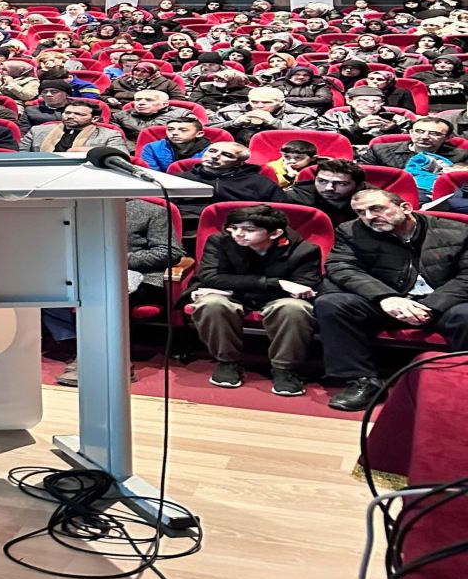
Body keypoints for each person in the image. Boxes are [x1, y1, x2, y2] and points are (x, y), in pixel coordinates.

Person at [316, 188, 468, 410]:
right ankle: (360, 380)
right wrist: (386, 297)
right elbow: (342, 266)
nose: (369, 217)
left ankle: (461, 381)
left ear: (405, 208)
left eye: (376, 208)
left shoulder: (457, 231)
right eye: (360, 212)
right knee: (332, 304)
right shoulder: (350, 231)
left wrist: (431, 306)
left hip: (442, 303)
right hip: (386, 300)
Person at [188, 204, 321, 396]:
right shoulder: (220, 241)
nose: (238, 234)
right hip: (242, 295)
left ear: (275, 233)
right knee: (211, 303)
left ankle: (285, 369)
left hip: (276, 299)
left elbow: (304, 287)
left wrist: (233, 287)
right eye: (234, 227)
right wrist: (277, 283)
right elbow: (210, 277)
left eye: (249, 230)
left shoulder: (305, 250)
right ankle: (227, 362)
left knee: (294, 308)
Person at [52, 197, 184, 386]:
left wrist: (117, 257)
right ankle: (85, 350)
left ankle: (111, 362)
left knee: (106, 294)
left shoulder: (154, 211)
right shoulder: (84, 209)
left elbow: (169, 252)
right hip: (90, 272)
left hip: (141, 277)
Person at [171, 141, 282, 250]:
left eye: (227, 155)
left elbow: (278, 211)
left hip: (238, 231)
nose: (215, 156)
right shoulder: (178, 179)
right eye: (212, 151)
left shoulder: (259, 182)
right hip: (184, 228)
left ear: (239, 163)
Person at [361, 117, 468, 199]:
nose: (425, 137)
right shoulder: (380, 150)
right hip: (385, 196)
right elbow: (361, 178)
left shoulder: (461, 156)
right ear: (411, 133)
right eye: (419, 131)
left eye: (434, 134)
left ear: (448, 138)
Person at [283, 156, 366, 225]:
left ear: (359, 186)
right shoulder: (296, 197)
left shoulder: (370, 200)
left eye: (341, 183)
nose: (328, 188)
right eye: (322, 181)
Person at [20, 102, 127, 155]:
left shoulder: (110, 134)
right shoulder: (37, 130)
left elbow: (121, 155)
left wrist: (93, 151)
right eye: (67, 113)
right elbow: (21, 156)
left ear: (94, 119)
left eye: (78, 114)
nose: (70, 116)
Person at [136, 116, 211, 171]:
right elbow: (152, 173)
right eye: (170, 129)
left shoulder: (212, 150)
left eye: (183, 130)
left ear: (199, 134)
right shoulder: (152, 147)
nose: (174, 133)